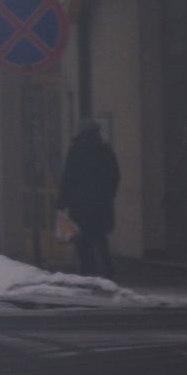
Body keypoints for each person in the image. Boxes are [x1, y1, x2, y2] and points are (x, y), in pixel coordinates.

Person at [57, 119, 120, 279]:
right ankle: (107, 269)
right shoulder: (105, 150)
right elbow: (114, 175)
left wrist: (62, 201)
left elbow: (68, 178)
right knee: (99, 236)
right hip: (100, 202)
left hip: (79, 203)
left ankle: (87, 270)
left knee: (81, 238)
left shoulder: (76, 149)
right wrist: (108, 194)